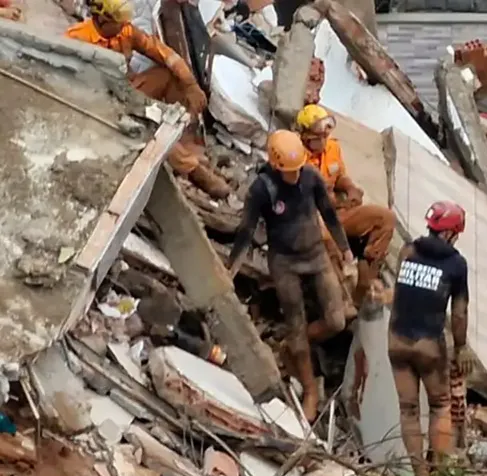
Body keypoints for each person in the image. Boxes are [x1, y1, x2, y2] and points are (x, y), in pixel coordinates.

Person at [227, 131, 356, 422]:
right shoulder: (262, 190)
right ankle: (310, 389)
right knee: (295, 321)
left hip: (317, 256)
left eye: (297, 169)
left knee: (336, 320)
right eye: (289, 171)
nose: (294, 176)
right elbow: (246, 230)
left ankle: (294, 345)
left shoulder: (310, 178)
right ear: (275, 165)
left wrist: (344, 248)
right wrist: (232, 267)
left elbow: (328, 213)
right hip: (285, 262)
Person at [67, 0, 231, 199]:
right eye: (119, 23)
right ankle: (193, 170)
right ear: (102, 19)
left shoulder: (125, 31)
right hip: (104, 105)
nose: (123, 27)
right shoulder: (77, 39)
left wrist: (190, 84)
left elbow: (164, 54)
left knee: (170, 75)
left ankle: (185, 144)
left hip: (128, 90)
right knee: (151, 128)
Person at [389, 201, 477, 476]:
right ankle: (436, 475)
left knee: (408, 409)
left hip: (397, 340)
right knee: (440, 405)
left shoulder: (407, 251)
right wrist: (461, 347)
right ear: (450, 233)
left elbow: (402, 293)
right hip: (428, 344)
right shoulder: (456, 264)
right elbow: (459, 312)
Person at [295, 105, 397, 305]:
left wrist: (351, 189)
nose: (323, 142)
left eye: (325, 136)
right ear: (305, 136)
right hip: (312, 217)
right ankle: (342, 294)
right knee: (326, 238)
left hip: (339, 213)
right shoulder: (297, 158)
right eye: (318, 138)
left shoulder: (332, 148)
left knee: (385, 218)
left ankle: (367, 277)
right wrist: (333, 201)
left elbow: (340, 175)